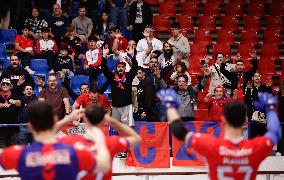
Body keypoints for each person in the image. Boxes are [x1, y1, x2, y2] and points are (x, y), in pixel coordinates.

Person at [157, 89, 281, 180]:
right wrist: (270, 107)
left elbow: (179, 131)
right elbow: (275, 132)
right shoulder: (255, 147)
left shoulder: (212, 146)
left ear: (223, 119)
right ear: (245, 121)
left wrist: (169, 105)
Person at [0, 101, 111, 179]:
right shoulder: (75, 153)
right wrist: (99, 137)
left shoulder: (17, 154)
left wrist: (66, 120)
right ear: (55, 119)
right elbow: (104, 166)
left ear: (30, 126)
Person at [58, 104, 140, 179]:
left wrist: (68, 119)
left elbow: (46, 136)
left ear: (85, 119)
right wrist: (113, 121)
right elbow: (136, 138)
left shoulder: (71, 141)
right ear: (103, 120)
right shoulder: (111, 142)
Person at [102, 48, 138, 126]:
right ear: (116, 68)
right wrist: (104, 56)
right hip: (115, 106)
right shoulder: (112, 77)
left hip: (127, 106)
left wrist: (132, 56)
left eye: (122, 67)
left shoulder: (129, 76)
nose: (121, 68)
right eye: (119, 67)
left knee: (128, 128)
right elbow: (104, 69)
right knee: (116, 128)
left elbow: (135, 68)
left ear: (125, 69)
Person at [245, 72, 272, 138]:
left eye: (258, 76)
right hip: (253, 115)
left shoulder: (265, 87)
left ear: (260, 78)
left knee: (263, 138)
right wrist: (248, 89)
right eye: (255, 76)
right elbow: (247, 101)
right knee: (252, 138)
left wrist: (268, 89)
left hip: (263, 115)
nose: (257, 77)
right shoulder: (249, 87)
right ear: (253, 78)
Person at [0, 78, 21, 147]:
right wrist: (2, 105)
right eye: (3, 84)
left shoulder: (14, 94)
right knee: (1, 152)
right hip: (1, 129)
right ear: (1, 86)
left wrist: (15, 101)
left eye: (7, 84)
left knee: (13, 152)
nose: (5, 85)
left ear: (10, 86)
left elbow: (20, 103)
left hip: (13, 129)